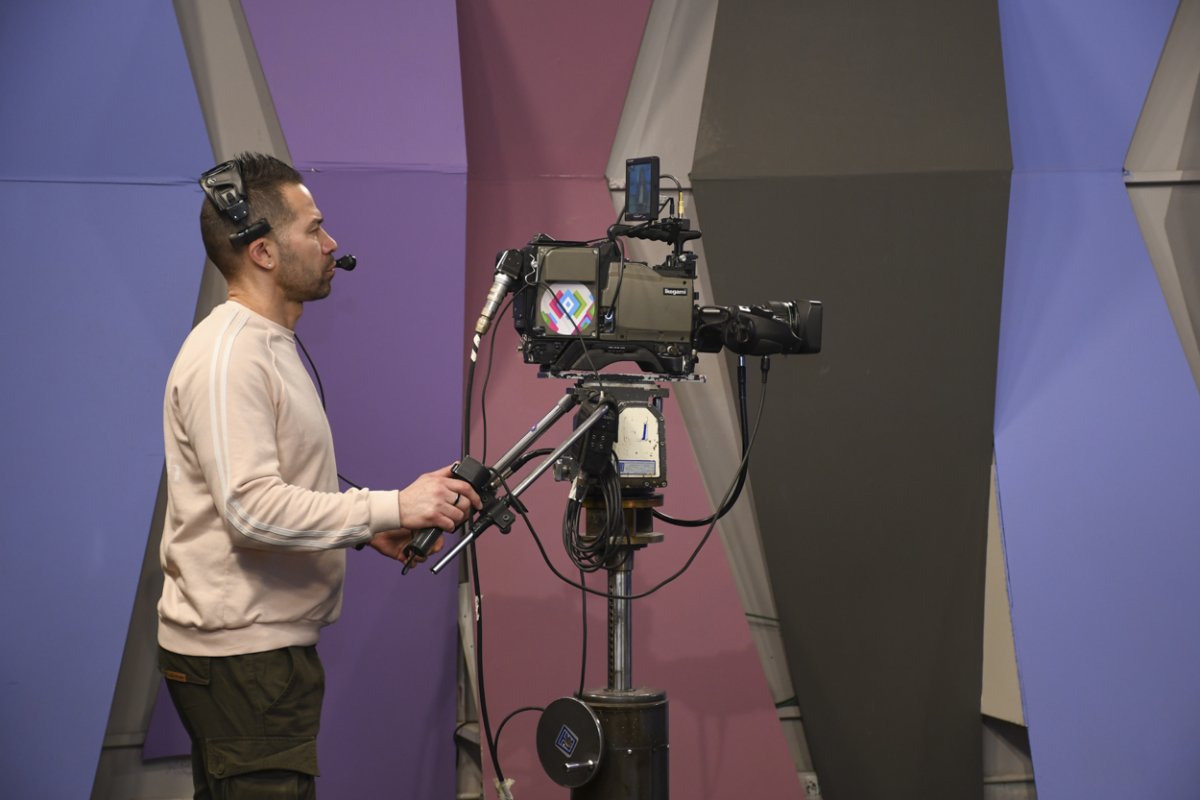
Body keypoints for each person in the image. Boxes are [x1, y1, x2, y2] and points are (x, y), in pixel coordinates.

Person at [157, 152, 480, 799]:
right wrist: (391, 507)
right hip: (245, 662)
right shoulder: (231, 358)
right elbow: (251, 512)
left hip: (256, 656)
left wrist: (364, 530)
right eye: (313, 229)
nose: (331, 244)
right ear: (263, 252)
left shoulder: (264, 345)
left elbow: (273, 489)